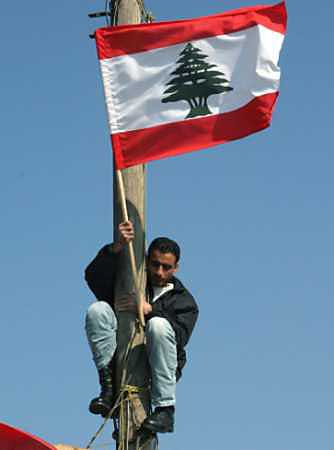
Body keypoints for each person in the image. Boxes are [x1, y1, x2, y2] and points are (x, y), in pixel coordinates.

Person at [84, 221, 199, 433]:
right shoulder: (131, 281)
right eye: (155, 264)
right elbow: (93, 278)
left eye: (166, 267)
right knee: (98, 310)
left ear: (176, 268)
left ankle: (165, 410)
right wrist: (116, 248)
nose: (160, 272)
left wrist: (149, 309)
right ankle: (108, 389)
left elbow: (180, 337)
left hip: (157, 371)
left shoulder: (184, 302)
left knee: (158, 325)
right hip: (121, 360)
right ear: (146, 260)